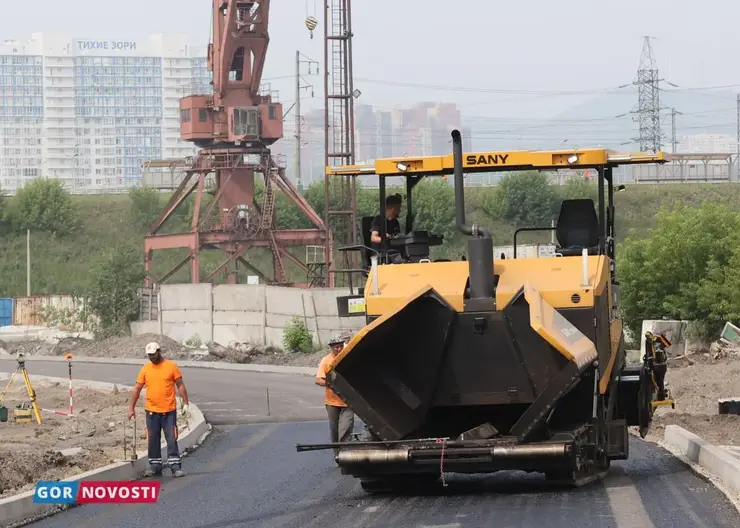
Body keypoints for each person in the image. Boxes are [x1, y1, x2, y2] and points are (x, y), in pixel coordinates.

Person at [128, 342, 190, 477]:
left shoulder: (171, 367)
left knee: (171, 438)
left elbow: (180, 385)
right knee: (153, 439)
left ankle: (175, 467)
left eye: (154, 354)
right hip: (151, 412)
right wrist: (131, 408)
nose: (152, 357)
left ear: (159, 351)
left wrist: (186, 403)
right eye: (149, 355)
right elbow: (137, 388)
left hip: (168, 411)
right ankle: (155, 467)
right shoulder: (145, 369)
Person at [315, 335, 354, 457]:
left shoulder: (348, 358)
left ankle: (345, 455)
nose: (338, 349)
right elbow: (318, 380)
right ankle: (337, 455)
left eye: (340, 346)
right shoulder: (326, 361)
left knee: (345, 429)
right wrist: (330, 384)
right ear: (331, 347)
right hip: (332, 402)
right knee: (335, 430)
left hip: (348, 401)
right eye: (336, 347)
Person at [370, 193, 403, 262]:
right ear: (393, 209)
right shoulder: (378, 220)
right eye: (399, 208)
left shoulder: (395, 222)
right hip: (382, 255)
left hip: (395, 253)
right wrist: (384, 238)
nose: (400, 210)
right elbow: (373, 238)